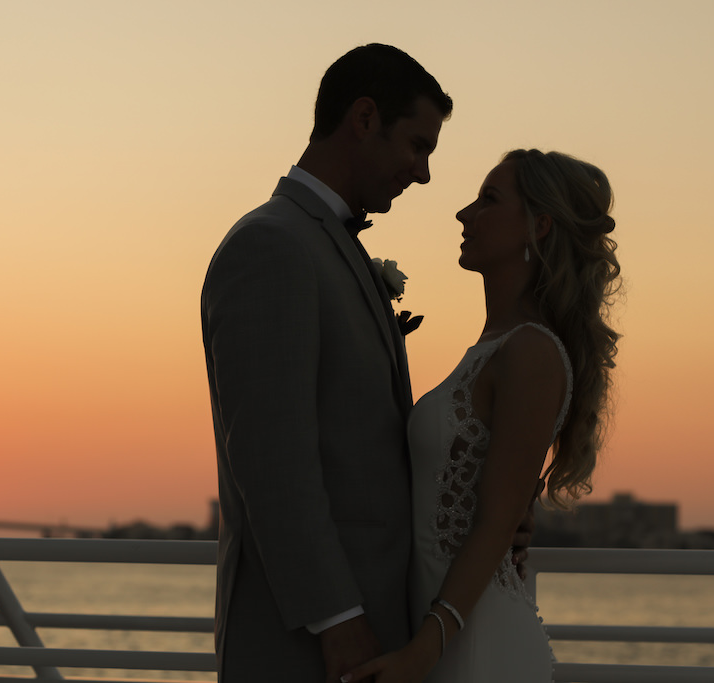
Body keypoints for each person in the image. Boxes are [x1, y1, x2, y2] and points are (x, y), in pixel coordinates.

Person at [201, 44, 452, 682]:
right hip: (310, 648)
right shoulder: (271, 247)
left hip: (372, 633)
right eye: (418, 146)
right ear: (364, 118)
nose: (423, 174)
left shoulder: (319, 245)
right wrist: (337, 619)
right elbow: (271, 459)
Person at [341, 149, 622, 682]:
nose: (463, 214)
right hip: (443, 636)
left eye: (488, 200)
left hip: (474, 647)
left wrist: (424, 651)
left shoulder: (532, 353)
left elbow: (494, 527)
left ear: (538, 227)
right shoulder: (492, 347)